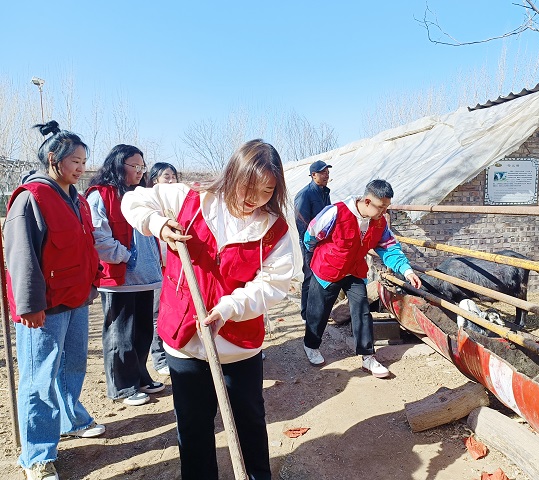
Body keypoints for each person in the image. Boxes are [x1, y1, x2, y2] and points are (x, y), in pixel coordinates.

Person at [121, 139, 296, 480]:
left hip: (237, 344)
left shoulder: (274, 228)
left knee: (248, 421)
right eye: (249, 187)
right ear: (232, 175)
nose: (255, 198)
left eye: (266, 191)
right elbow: (134, 200)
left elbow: (273, 284)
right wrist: (158, 225)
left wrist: (229, 308)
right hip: (184, 340)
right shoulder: (189, 200)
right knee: (193, 424)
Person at [5, 121, 105, 480]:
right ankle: (37, 455)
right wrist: (29, 306)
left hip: (76, 299)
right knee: (39, 378)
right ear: (53, 159)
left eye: (83, 161)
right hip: (44, 309)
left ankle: (70, 419)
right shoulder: (32, 197)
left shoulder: (77, 200)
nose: (81, 167)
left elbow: (86, 246)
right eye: (75, 161)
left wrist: (93, 283)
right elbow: (21, 258)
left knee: (72, 367)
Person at [302, 179, 422, 377]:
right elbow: (311, 236)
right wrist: (318, 258)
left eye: (387, 207)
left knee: (362, 310)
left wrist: (407, 271)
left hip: (355, 269)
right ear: (367, 201)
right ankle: (311, 345)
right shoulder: (335, 212)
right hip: (327, 269)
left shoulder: (379, 223)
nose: (384, 212)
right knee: (318, 311)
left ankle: (368, 357)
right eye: (381, 207)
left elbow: (389, 248)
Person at [86, 145, 164, 406]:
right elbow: (98, 236)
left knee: (142, 333)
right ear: (119, 165)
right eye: (135, 166)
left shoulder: (139, 196)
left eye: (143, 167)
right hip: (119, 279)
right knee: (120, 335)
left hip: (145, 278)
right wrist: (126, 256)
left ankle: (140, 377)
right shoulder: (101, 195)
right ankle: (122, 387)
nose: (141, 172)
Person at [147, 162, 180, 376]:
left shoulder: (179, 202)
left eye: (173, 176)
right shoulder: (148, 205)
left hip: (176, 268)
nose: (171, 180)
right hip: (157, 268)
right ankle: (159, 358)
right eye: (166, 176)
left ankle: (173, 351)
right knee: (156, 313)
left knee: (174, 310)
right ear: (154, 181)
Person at [293, 160, 331, 322]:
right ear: (313, 175)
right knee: (309, 276)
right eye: (322, 172)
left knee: (322, 275)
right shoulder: (305, 194)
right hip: (310, 243)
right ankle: (305, 313)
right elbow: (302, 222)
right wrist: (310, 243)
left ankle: (318, 311)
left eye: (327, 172)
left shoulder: (325, 192)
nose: (326, 175)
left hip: (324, 243)